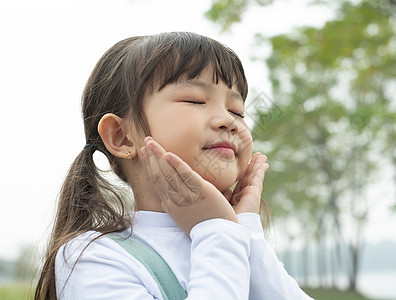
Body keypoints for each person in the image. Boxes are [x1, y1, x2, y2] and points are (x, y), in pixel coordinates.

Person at [35, 32, 313, 300]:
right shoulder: (93, 257)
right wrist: (218, 229)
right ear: (121, 136)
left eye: (237, 111)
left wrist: (245, 231)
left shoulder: (238, 237)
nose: (229, 121)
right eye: (195, 100)